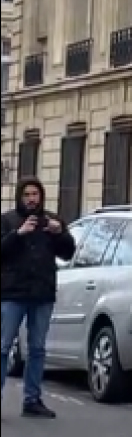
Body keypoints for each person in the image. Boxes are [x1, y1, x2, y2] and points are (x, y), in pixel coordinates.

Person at [0, 177, 76, 418]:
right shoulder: (7, 220)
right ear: (20, 197)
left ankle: (32, 400)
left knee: (37, 348)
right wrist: (18, 234)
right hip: (12, 293)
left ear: (41, 196)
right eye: (27, 195)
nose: (31, 199)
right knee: (3, 346)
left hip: (42, 293)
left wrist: (60, 233)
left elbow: (68, 253)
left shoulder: (51, 222)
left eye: (35, 194)